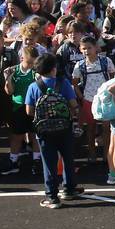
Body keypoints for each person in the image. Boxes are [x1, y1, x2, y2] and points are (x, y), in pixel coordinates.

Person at [23, 54, 80, 208]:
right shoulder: (63, 83)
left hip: (44, 130)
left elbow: (29, 110)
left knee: (49, 162)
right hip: (64, 127)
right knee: (68, 158)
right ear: (54, 69)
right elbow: (73, 104)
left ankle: (52, 196)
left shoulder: (34, 86)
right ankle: (69, 189)